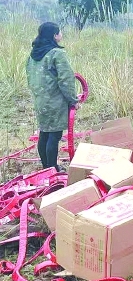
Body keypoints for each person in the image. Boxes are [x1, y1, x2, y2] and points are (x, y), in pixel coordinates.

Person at [25, 22, 79, 170]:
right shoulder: (57, 53)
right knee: (54, 136)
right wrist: (73, 100)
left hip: (40, 100)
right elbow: (66, 80)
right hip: (55, 101)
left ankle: (45, 167)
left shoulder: (33, 55)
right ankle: (53, 168)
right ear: (55, 35)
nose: (61, 34)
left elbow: (29, 77)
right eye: (59, 32)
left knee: (44, 134)